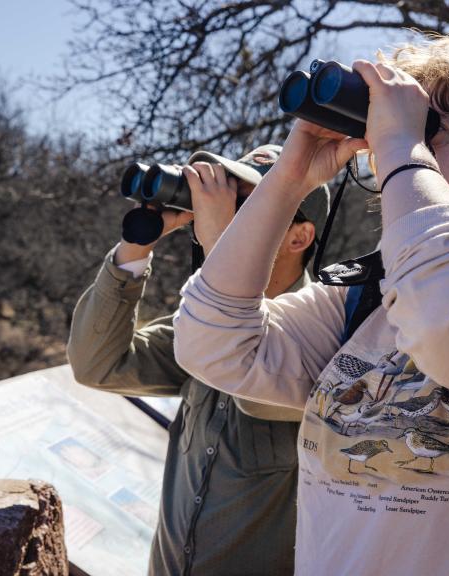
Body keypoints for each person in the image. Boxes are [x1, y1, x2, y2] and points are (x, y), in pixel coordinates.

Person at [173, 34, 449, 575]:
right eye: (389, 129)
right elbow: (212, 343)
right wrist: (290, 177)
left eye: (434, 127)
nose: (389, 144)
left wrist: (405, 145)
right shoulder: (364, 301)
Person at [66, 144, 330, 576]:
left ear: (300, 237)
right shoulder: (200, 326)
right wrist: (135, 248)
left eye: (253, 206)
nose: (230, 213)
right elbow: (97, 364)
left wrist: (224, 245)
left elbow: (253, 371)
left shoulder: (323, 334)